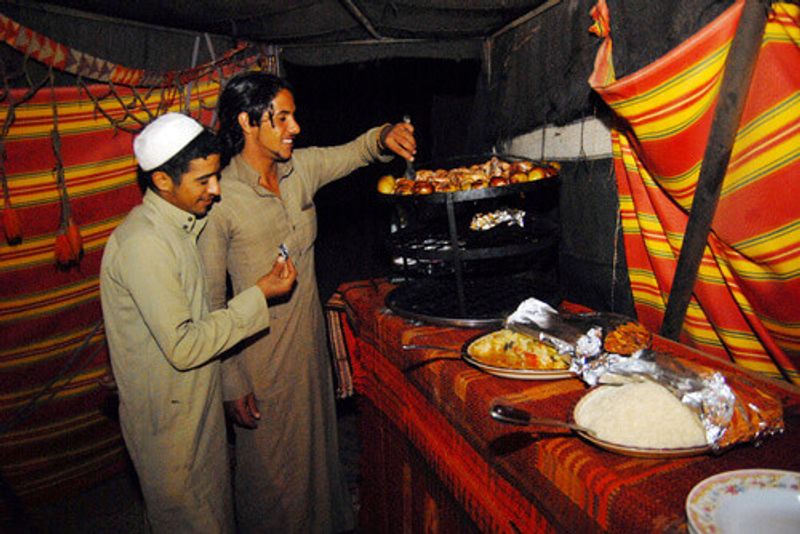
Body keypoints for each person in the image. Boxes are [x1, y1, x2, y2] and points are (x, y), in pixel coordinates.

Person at [197, 71, 416, 533]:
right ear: (248, 122)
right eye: (282, 118)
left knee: (318, 457)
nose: (295, 128)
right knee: (269, 474)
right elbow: (211, 300)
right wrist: (230, 380)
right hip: (259, 359)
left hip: (309, 349)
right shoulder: (220, 198)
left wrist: (384, 135)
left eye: (293, 116)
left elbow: (356, 151)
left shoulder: (301, 170)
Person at [99, 112, 297, 533]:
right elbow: (185, 345)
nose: (216, 190)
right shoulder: (146, 244)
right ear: (162, 182)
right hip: (170, 431)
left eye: (216, 176)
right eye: (203, 180)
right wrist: (258, 295)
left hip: (194, 413)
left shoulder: (179, 227)